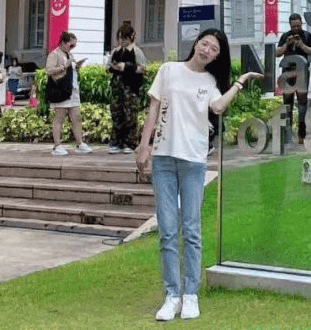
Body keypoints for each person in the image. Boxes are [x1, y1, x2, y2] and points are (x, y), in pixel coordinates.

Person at [135, 28, 262, 322]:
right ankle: (172, 295)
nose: (207, 50)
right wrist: (145, 146)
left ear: (217, 56)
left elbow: (217, 106)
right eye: (205, 44)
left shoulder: (210, 82)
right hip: (164, 159)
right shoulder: (169, 70)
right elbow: (154, 109)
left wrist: (240, 82)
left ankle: (190, 294)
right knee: (167, 231)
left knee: (190, 230)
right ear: (196, 44)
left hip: (193, 161)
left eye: (214, 49)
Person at [45, 31, 91, 156]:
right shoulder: (55, 54)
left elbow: (70, 69)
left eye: (74, 46)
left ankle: (80, 143)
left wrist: (76, 66)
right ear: (64, 43)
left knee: (77, 118)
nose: (72, 48)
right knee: (59, 117)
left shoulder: (69, 54)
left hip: (72, 89)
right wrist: (64, 66)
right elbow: (49, 70)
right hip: (61, 90)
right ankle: (57, 145)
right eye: (71, 45)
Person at [275, 13, 311, 145]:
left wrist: (301, 45)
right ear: (290, 25)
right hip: (287, 73)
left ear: (301, 23)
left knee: (302, 105)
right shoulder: (285, 36)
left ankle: (301, 134)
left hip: (302, 73)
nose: (296, 28)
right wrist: (287, 44)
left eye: (298, 25)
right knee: (287, 104)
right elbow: (277, 53)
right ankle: (287, 135)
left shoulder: (307, 36)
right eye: (294, 26)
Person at [108, 22, 146, 154]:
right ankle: (116, 142)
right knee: (117, 114)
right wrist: (114, 67)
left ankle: (129, 143)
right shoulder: (116, 52)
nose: (122, 41)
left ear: (131, 37)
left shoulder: (136, 52)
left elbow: (141, 68)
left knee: (130, 115)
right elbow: (109, 66)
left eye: (125, 38)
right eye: (120, 38)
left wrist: (126, 66)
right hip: (117, 88)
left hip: (131, 87)